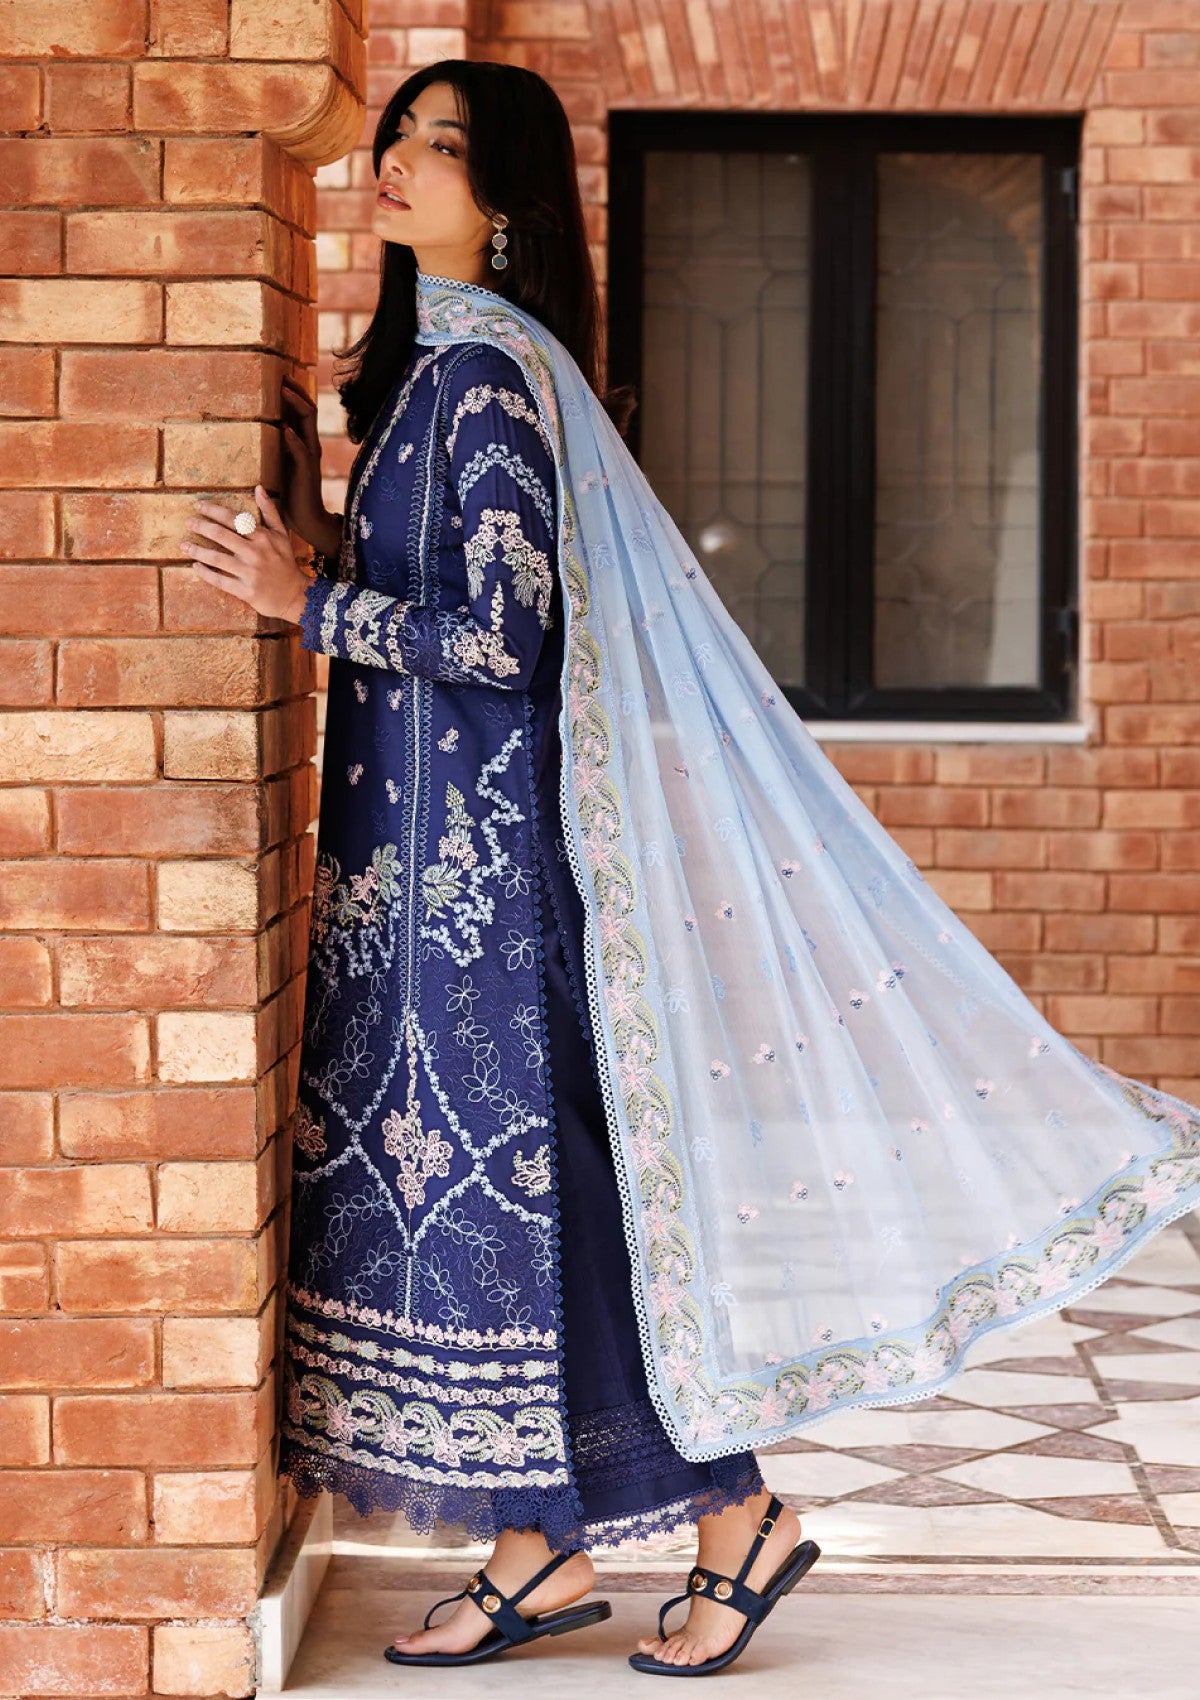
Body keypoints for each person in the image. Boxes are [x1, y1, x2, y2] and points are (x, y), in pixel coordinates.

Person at [181, 58, 1200, 1679]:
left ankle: (734, 1519)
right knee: (524, 1221)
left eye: (442, 145)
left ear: (506, 202)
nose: (396, 161)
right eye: (397, 135)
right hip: (430, 875)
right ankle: (543, 1544)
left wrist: (305, 604)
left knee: (556, 1210)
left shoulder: (488, 383)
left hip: (484, 886)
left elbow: (502, 642)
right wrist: (325, 532)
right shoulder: (434, 375)